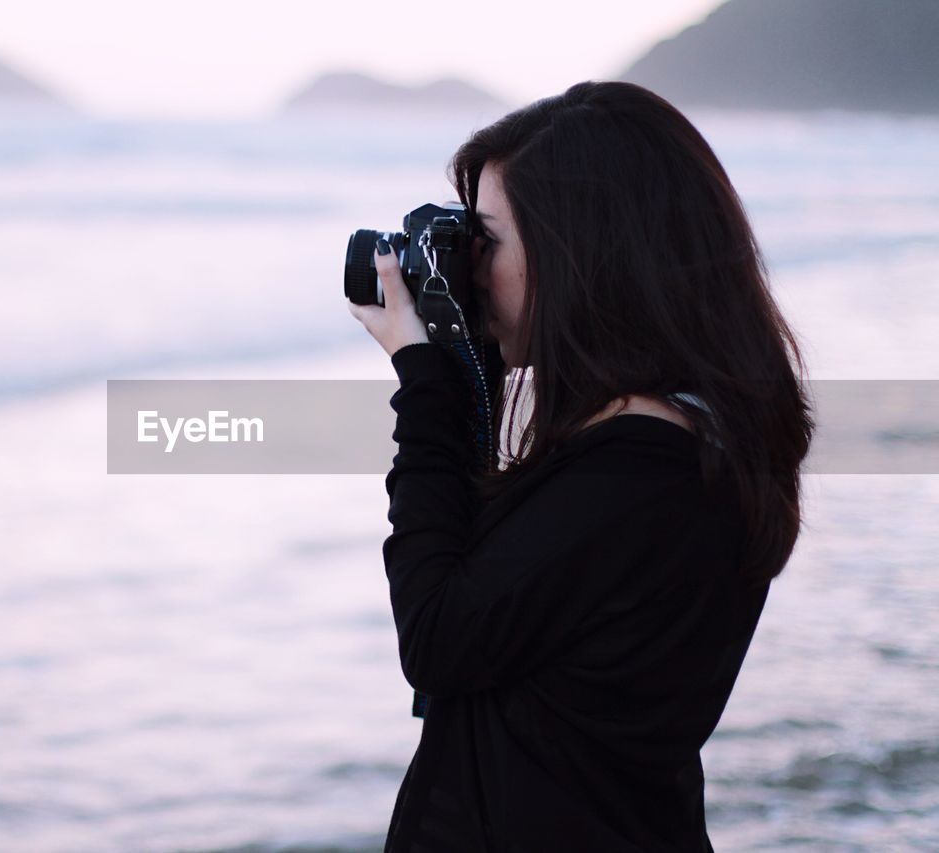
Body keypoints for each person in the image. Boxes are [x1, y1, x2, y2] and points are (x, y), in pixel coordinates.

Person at [347, 81, 814, 851]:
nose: (472, 268)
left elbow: (436, 636)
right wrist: (466, 366)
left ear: (580, 250)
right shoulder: (684, 436)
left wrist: (427, 384)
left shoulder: (638, 475)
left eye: (486, 240)